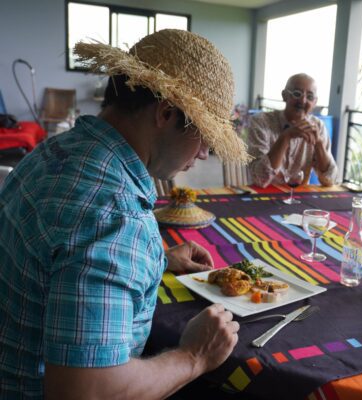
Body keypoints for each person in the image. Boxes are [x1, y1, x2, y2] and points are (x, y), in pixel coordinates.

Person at [0, 29, 249, 398]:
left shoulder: (53, 153)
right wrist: (194, 356)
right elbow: (85, 393)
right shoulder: (115, 216)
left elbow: (65, 257)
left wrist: (155, 261)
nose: (203, 154)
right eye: (205, 138)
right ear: (165, 113)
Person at [248, 73, 338, 187]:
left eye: (309, 97)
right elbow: (260, 179)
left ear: (314, 102)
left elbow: (330, 180)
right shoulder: (261, 122)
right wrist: (286, 136)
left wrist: (319, 143)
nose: (303, 100)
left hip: (299, 198)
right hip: (263, 196)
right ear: (284, 95)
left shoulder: (318, 127)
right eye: (297, 94)